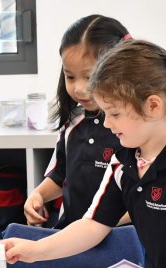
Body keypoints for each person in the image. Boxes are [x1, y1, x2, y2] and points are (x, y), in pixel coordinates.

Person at [4, 39, 166, 267]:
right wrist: (34, 250)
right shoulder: (122, 163)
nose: (107, 124)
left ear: (153, 106)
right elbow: (92, 226)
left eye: (115, 114)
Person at [24, 15, 129, 229]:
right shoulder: (74, 122)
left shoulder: (134, 129)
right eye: (70, 77)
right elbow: (60, 175)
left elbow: (146, 196)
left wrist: (101, 225)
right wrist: (38, 195)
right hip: (72, 236)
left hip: (120, 237)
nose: (79, 88)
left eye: (89, 77)